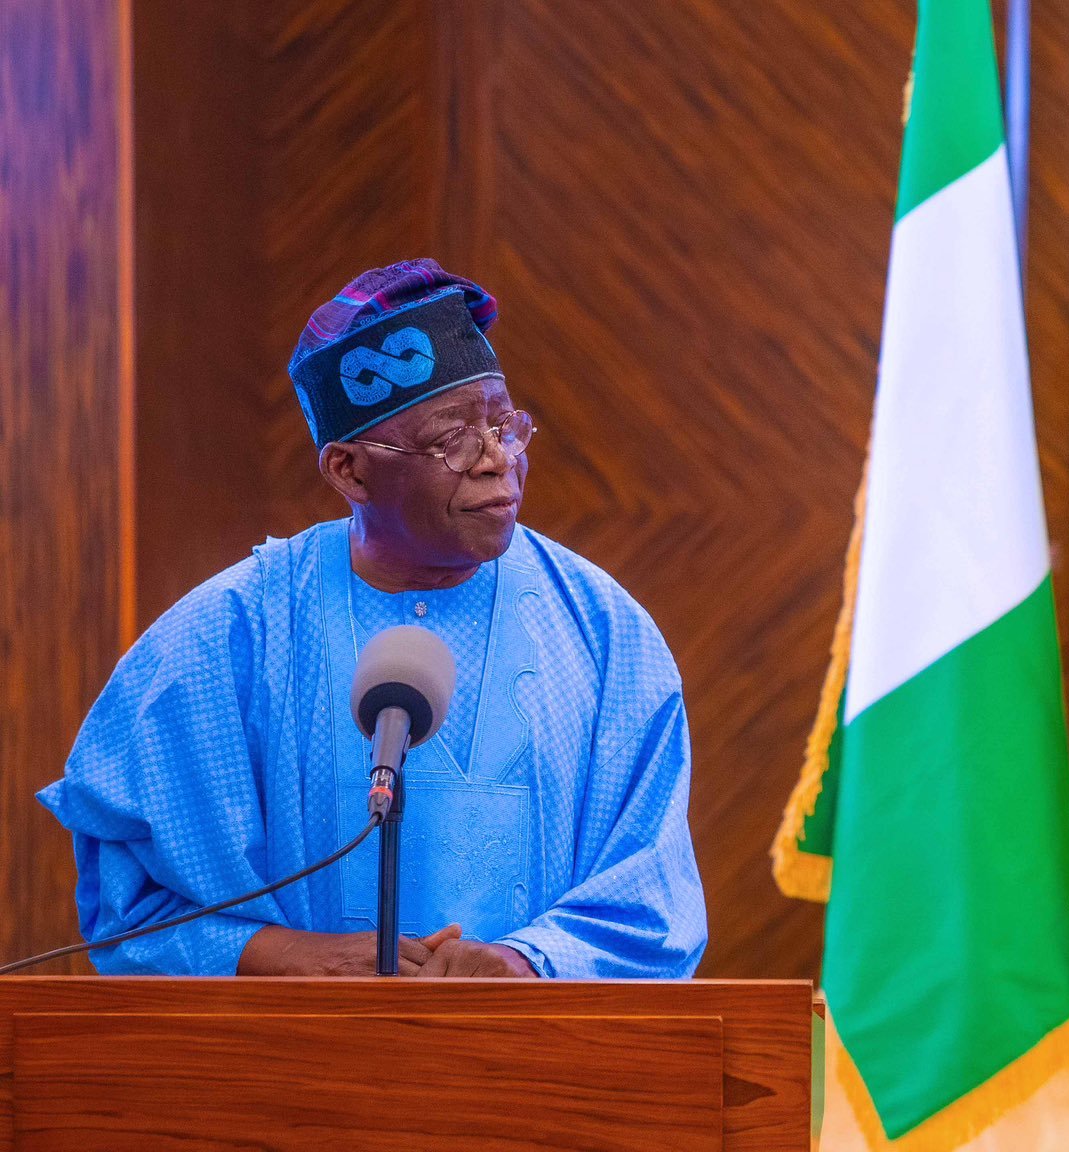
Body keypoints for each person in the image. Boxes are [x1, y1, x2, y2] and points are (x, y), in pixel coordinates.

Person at [39, 259, 706, 978]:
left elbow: (651, 892)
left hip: (538, 1074)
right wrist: (277, 955)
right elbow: (130, 905)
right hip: (292, 1075)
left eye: (505, 425)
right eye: (452, 439)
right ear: (349, 470)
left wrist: (526, 964)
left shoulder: (604, 633)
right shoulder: (223, 638)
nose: (498, 462)